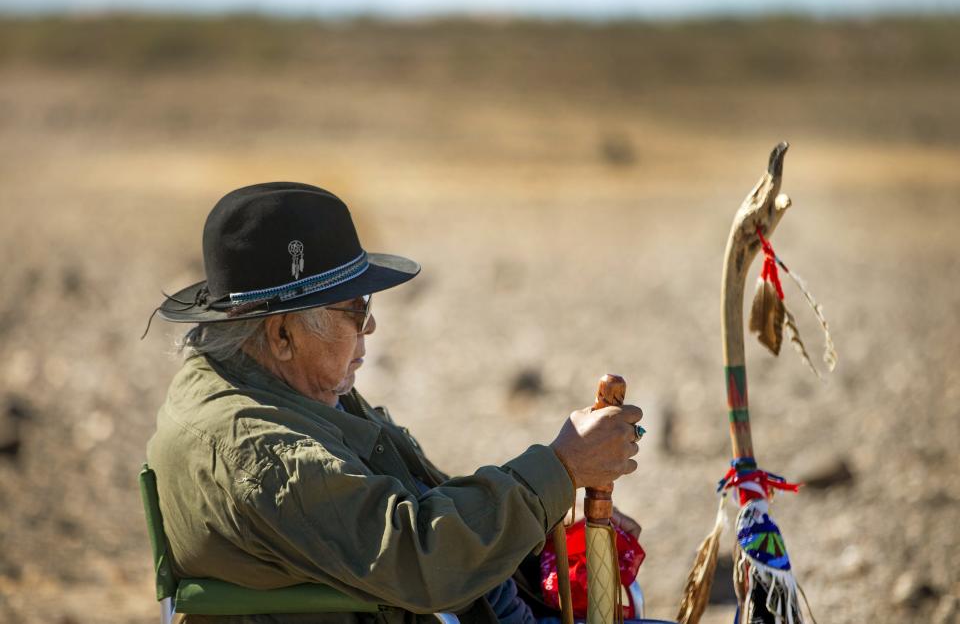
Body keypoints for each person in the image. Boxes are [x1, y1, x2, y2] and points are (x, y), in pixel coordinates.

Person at [147, 182, 644, 624]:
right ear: (281, 334)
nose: (371, 326)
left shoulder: (275, 388)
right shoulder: (265, 453)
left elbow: (412, 513)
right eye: (355, 309)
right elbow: (422, 557)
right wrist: (559, 467)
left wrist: (546, 512)